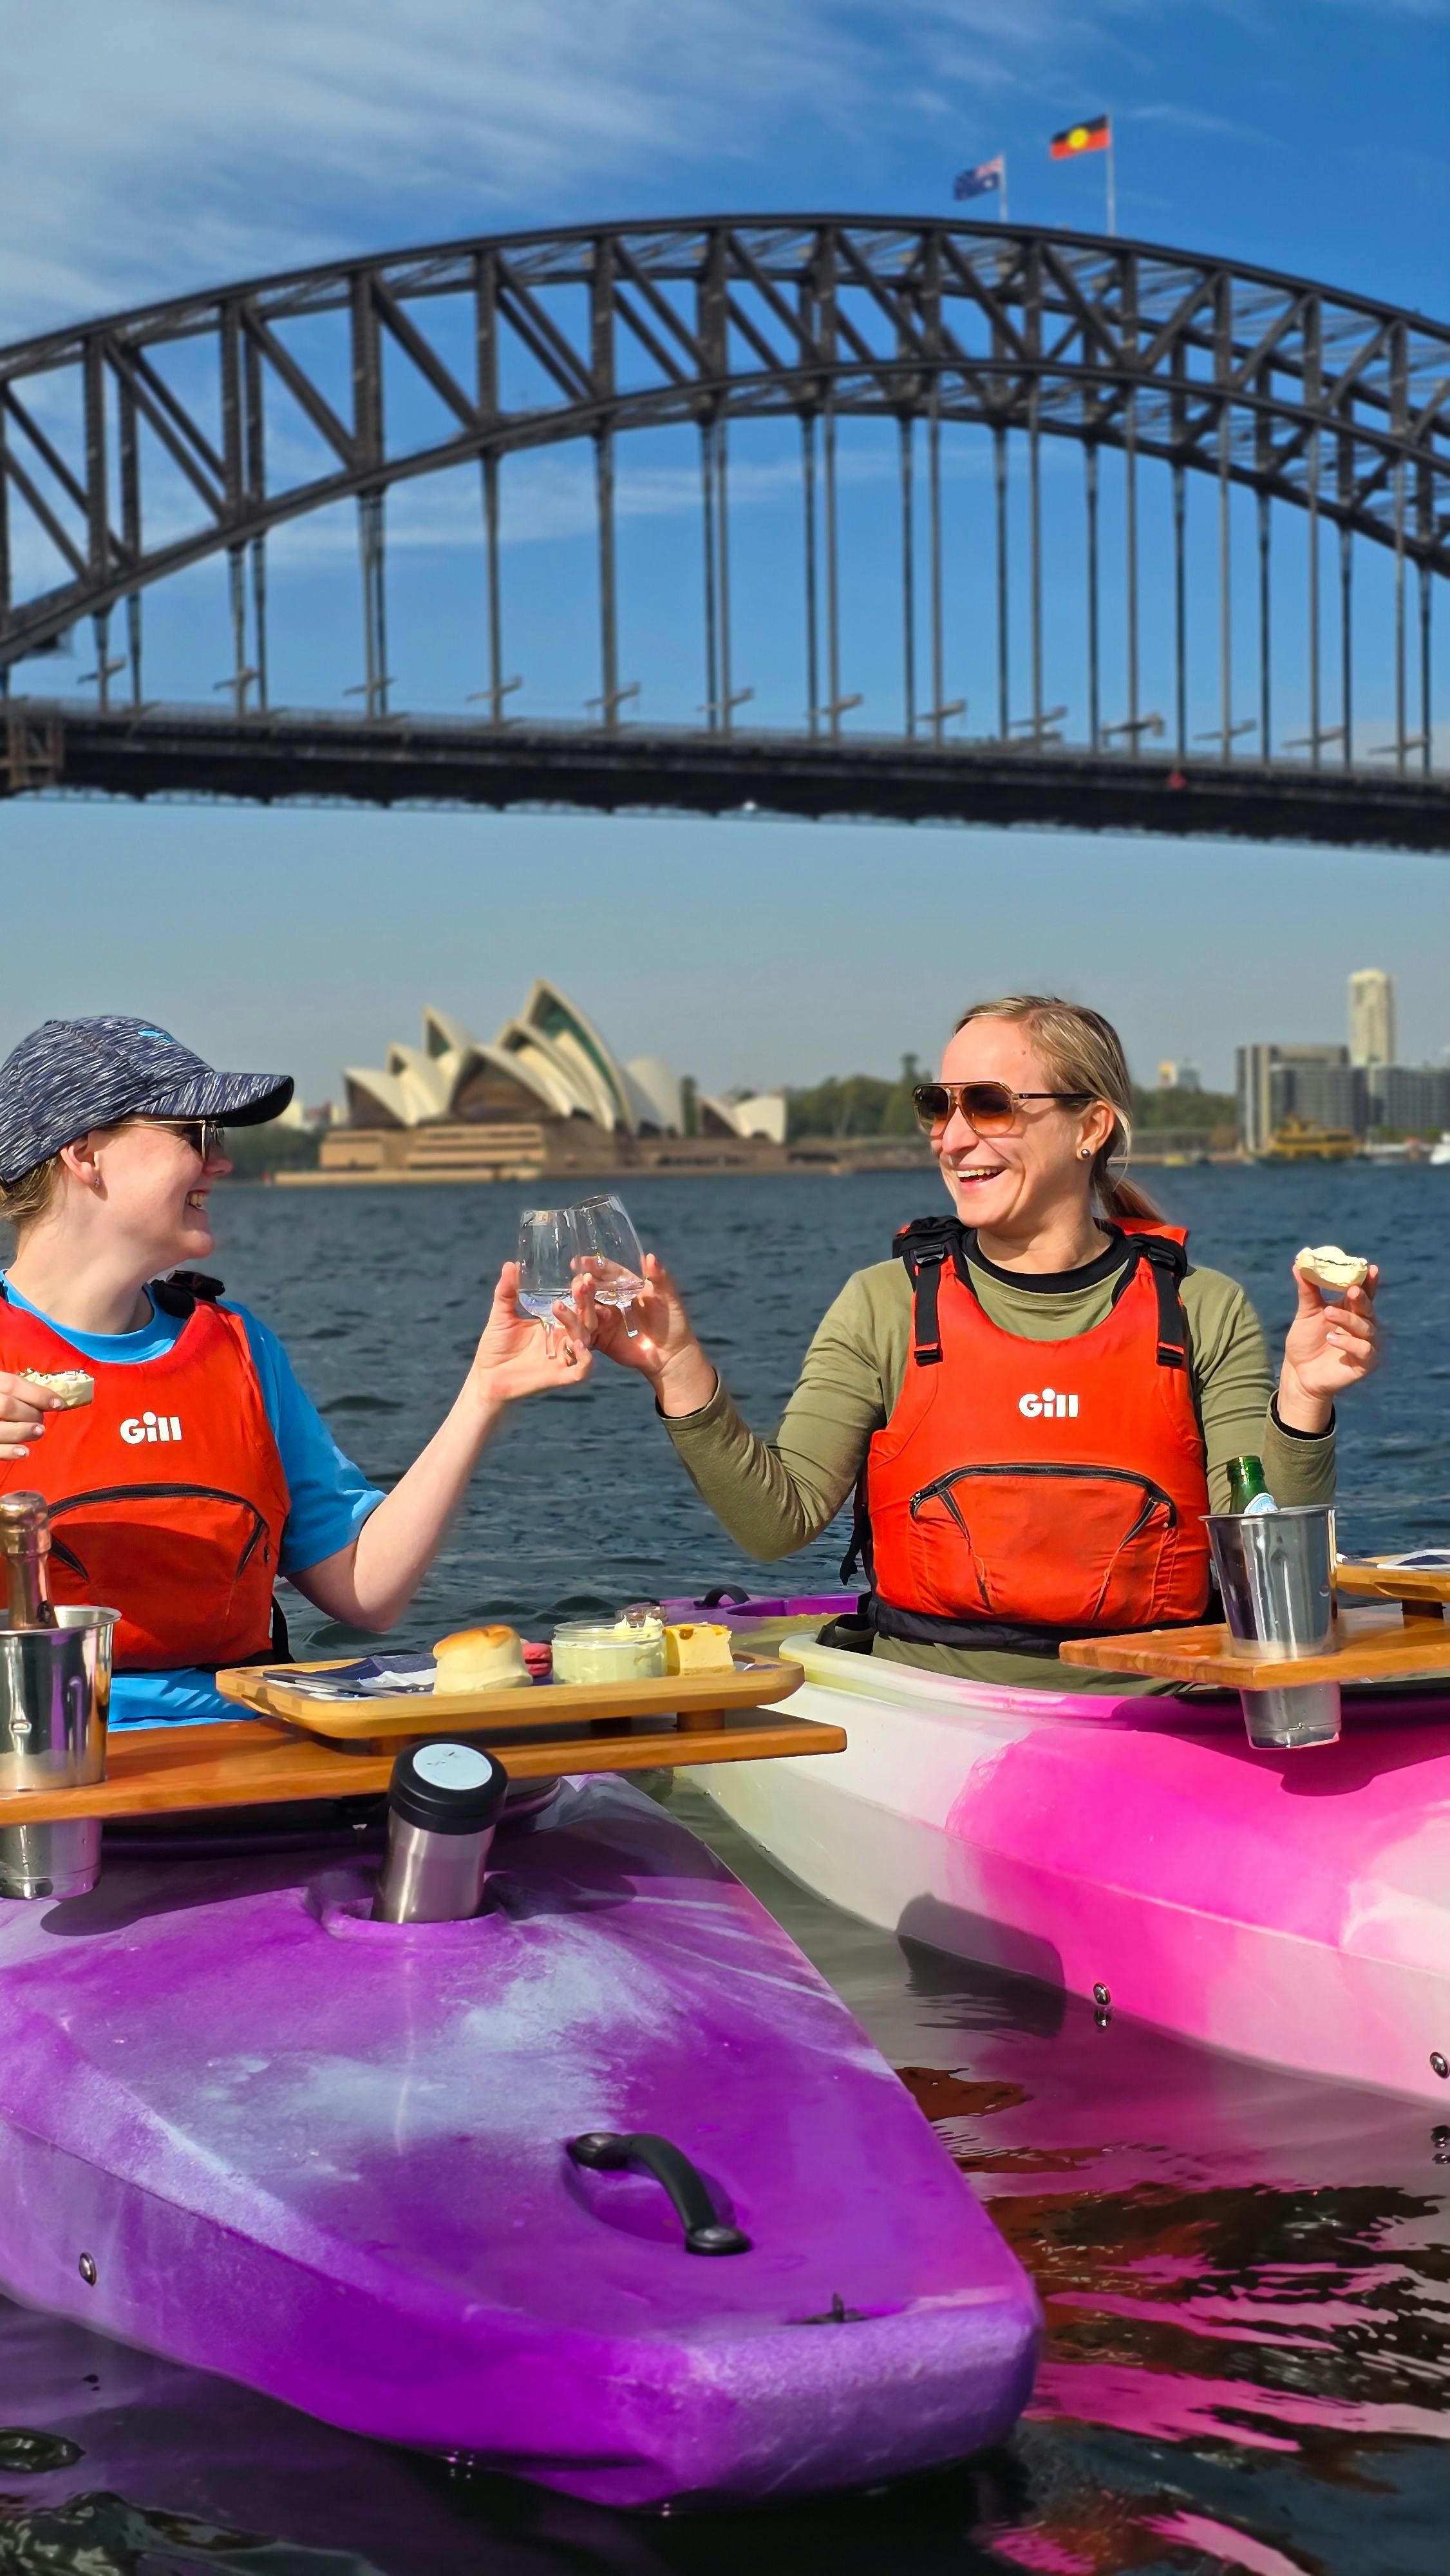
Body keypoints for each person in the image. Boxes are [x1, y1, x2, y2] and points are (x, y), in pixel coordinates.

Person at [579, 995, 1381, 1690]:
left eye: (989, 1104)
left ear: (1089, 1128)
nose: (952, 1138)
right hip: (932, 1707)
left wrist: (1302, 1400)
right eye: (938, 1105)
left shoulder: (1201, 1308)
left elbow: (1269, 1562)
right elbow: (774, 1525)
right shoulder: (882, 1303)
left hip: (1153, 1705)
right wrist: (678, 1369)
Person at [0, 1015, 589, 1725]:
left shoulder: (240, 1348)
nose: (220, 1163)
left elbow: (366, 1592)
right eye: (195, 1136)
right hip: (41, 1762)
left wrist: (484, 1392)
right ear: (84, 1151)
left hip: (248, 1757)